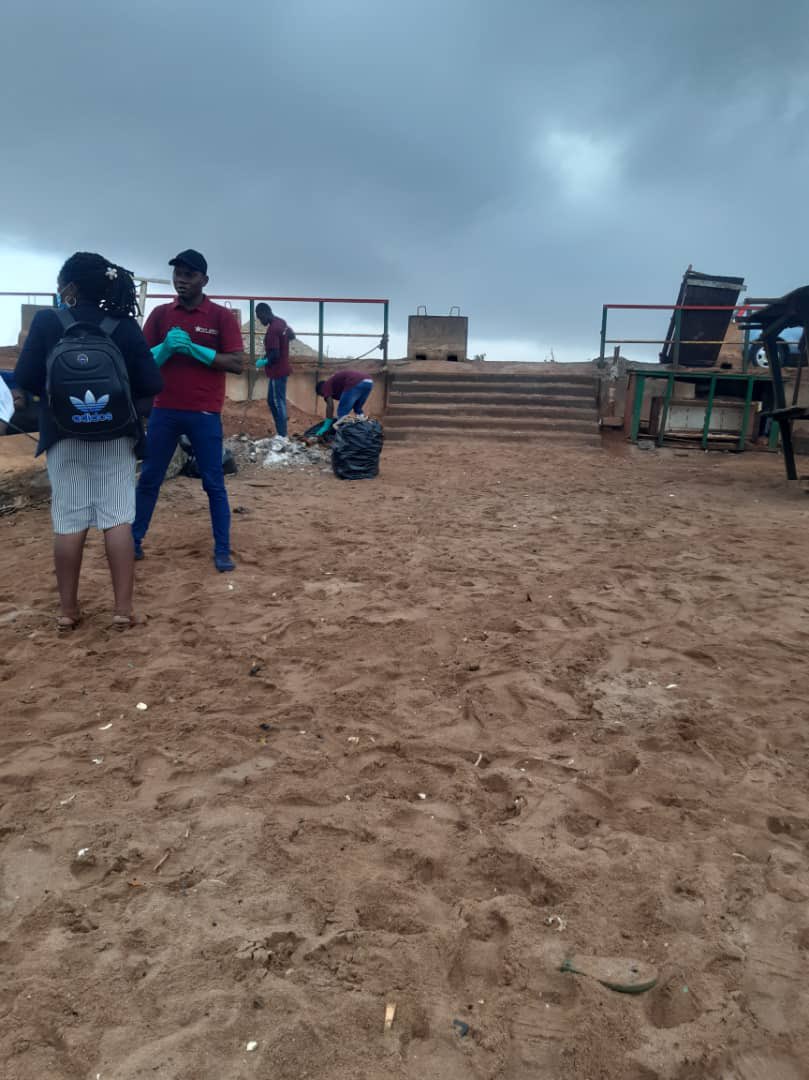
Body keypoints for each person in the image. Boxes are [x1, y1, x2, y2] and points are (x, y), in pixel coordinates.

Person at [13, 252, 163, 630]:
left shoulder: (48, 322)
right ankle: (123, 611)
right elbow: (152, 385)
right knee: (117, 520)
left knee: (68, 520)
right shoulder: (124, 326)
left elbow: (27, 379)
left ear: (71, 287)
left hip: (63, 436)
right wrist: (121, 412)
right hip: (114, 438)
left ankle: (67, 612)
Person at [133, 249, 244, 572]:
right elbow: (141, 362)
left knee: (213, 483)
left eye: (189, 275)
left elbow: (237, 363)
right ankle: (134, 540)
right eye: (178, 274)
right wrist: (165, 349)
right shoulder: (160, 315)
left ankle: (222, 550)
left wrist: (196, 350)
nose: (181, 280)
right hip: (164, 409)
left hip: (204, 412)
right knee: (150, 478)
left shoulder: (221, 317)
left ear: (204, 280)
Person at [255, 303, 295, 440]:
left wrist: (264, 361)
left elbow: (275, 355)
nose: (261, 321)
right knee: (272, 401)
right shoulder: (281, 322)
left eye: (260, 318)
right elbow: (292, 335)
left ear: (265, 313)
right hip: (281, 369)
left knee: (278, 402)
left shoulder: (272, 330)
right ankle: (280, 432)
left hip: (277, 371)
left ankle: (282, 435)